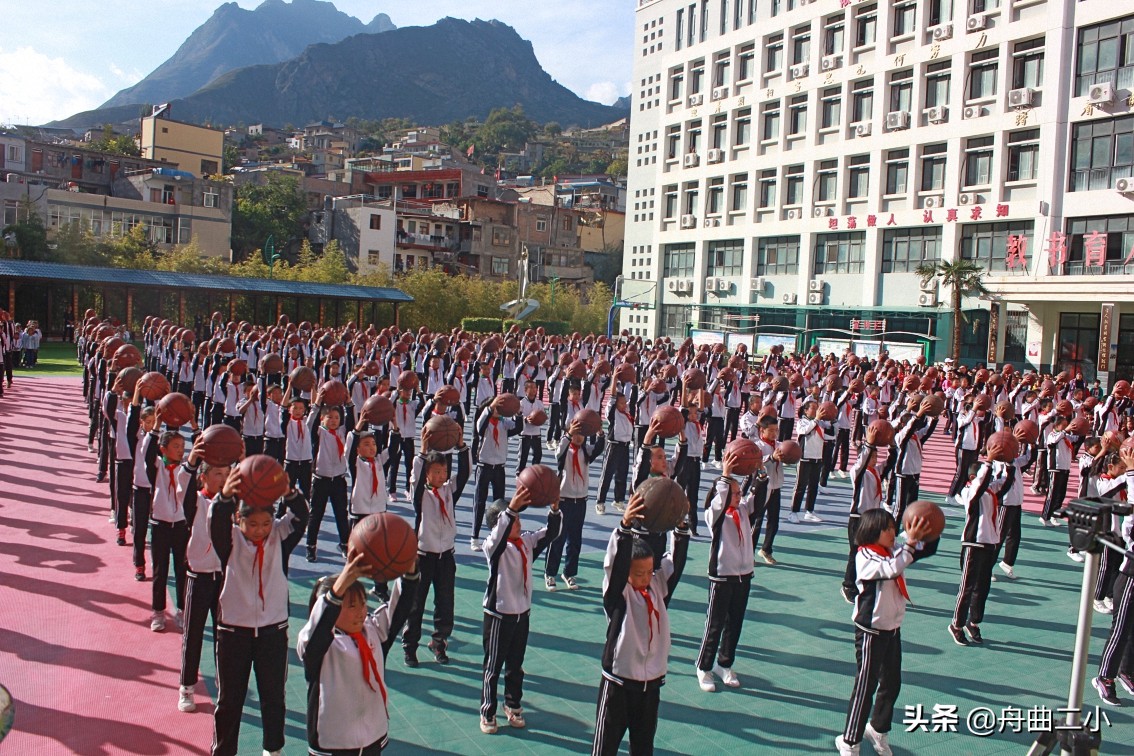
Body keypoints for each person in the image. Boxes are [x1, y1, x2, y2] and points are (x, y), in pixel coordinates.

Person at [208, 471, 310, 756]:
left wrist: (289, 491)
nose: (259, 530)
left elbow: (302, 515)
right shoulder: (229, 543)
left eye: (266, 523)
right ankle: (224, 750)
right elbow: (216, 520)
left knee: (273, 696)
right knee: (230, 700)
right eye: (251, 524)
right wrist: (226, 495)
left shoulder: (280, 539)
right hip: (233, 632)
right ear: (238, 521)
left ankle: (273, 749)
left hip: (272, 631)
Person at [592, 494, 690, 755]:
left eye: (649, 572)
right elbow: (614, 564)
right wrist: (624, 526)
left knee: (644, 746)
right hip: (619, 683)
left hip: (651, 686)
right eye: (638, 574)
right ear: (626, 574)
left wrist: (681, 525)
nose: (646, 578)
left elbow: (675, 565)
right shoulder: (618, 595)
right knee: (605, 747)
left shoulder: (657, 587)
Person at [297, 552, 419, 754]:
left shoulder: (374, 631)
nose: (361, 611)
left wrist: (409, 572)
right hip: (333, 744)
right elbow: (318, 628)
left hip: (372, 737)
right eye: (351, 605)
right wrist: (340, 585)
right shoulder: (318, 647)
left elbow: (400, 609)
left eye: (363, 603)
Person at [836, 509, 936, 756]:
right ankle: (849, 741)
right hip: (871, 631)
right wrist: (910, 543)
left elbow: (924, 550)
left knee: (891, 683)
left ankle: (878, 729)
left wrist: (930, 527)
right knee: (865, 686)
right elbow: (891, 568)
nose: (894, 533)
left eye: (894, 527)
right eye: (888, 529)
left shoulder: (891, 551)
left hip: (892, 628)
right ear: (873, 531)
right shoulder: (866, 556)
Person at [479, 489, 563, 734]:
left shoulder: (525, 541)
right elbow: (499, 534)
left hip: (521, 613)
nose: (520, 522)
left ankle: (512, 705)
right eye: (515, 519)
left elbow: (551, 534)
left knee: (516, 664)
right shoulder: (493, 547)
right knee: (493, 666)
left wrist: (555, 509)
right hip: (498, 614)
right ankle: (488, 711)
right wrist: (510, 510)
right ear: (500, 524)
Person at [403, 442, 472, 667]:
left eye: (444, 472)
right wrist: (423, 453)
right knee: (416, 604)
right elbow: (416, 473)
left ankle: (439, 642)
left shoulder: (449, 491)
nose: (441, 476)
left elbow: (464, 473)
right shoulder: (420, 494)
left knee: (445, 604)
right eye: (436, 472)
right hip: (423, 556)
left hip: (446, 557)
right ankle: (410, 646)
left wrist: (461, 447)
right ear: (427, 474)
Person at [695, 446, 756, 692]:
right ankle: (703, 667)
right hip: (722, 575)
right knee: (715, 623)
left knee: (735, 623)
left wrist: (759, 473)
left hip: (743, 575)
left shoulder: (743, 510)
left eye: (740, 492)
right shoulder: (715, 515)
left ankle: (724, 663)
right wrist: (725, 474)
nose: (739, 497)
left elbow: (758, 497)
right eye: (734, 493)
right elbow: (720, 500)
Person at [179, 455, 228, 713]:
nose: (223, 479)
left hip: (223, 578)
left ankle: (224, 684)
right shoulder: (196, 501)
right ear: (204, 477)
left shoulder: (231, 503)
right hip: (198, 578)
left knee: (224, 635)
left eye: (226, 473)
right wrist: (192, 461)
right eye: (217, 474)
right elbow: (184, 488)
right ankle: (187, 687)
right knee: (193, 633)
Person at [1092, 445, 1134, 706]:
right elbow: (1104, 493)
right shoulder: (1119, 482)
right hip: (1131, 570)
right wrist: (1130, 471)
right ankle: (1104, 677)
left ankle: (1126, 671)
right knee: (1121, 626)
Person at [949, 461, 1008, 646]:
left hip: (989, 544)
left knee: (982, 588)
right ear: (974, 478)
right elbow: (980, 485)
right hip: (973, 544)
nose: (989, 480)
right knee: (967, 587)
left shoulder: (989, 493)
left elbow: (1005, 483)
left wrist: (1011, 464)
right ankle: (956, 625)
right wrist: (989, 462)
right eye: (986, 477)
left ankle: (973, 622)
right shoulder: (969, 492)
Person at [545, 418, 605, 591]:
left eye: (582, 434)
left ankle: (569, 573)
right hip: (564, 501)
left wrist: (599, 432)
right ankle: (550, 574)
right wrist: (569, 433)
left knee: (575, 541)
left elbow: (599, 448)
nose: (579, 438)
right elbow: (558, 452)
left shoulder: (585, 451)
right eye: (575, 434)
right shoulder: (564, 451)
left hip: (581, 502)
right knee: (558, 538)